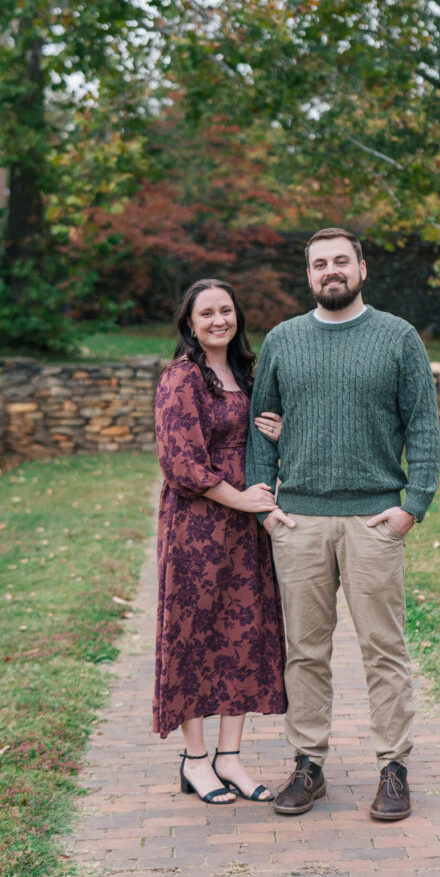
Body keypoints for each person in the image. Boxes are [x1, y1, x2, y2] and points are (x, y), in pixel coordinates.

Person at [246, 227, 440, 821]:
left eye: (340, 261)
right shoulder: (283, 339)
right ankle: (308, 764)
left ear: (362, 268)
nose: (330, 271)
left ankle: (394, 767)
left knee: (384, 648)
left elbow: (423, 428)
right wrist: (268, 508)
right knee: (304, 652)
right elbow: (260, 428)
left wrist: (413, 506)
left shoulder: (397, 338)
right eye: (318, 264)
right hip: (300, 521)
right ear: (308, 275)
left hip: (374, 521)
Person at [153, 278, 288, 805]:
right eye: (206, 312)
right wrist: (246, 501)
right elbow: (182, 464)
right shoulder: (181, 378)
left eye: (226, 310)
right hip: (196, 529)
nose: (217, 320)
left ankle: (230, 758)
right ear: (189, 323)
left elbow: (252, 435)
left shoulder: (246, 374)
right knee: (195, 634)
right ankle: (195, 762)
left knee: (242, 631)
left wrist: (273, 430)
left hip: (243, 531)